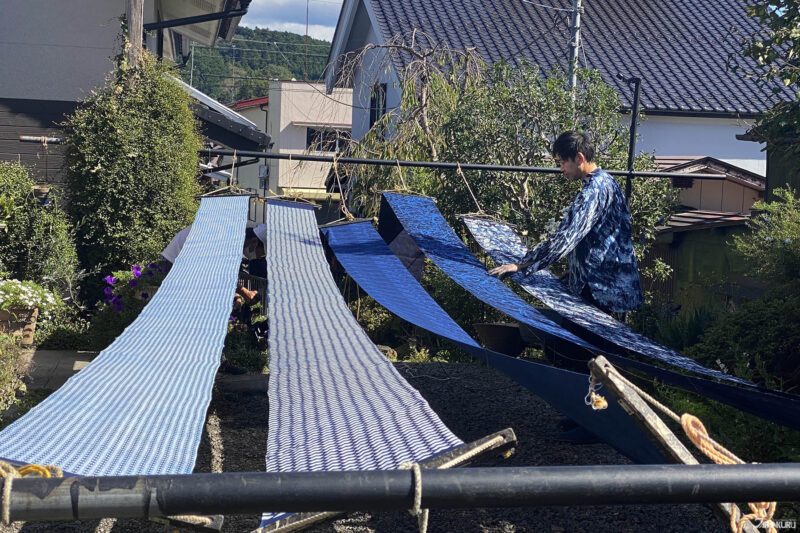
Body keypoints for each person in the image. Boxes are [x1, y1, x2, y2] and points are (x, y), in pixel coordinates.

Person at [488, 131, 643, 313]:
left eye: (563, 162)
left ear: (579, 158)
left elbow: (566, 238)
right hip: (613, 285)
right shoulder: (608, 182)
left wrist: (522, 264)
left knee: (584, 340)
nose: (561, 169)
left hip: (598, 288)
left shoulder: (592, 192)